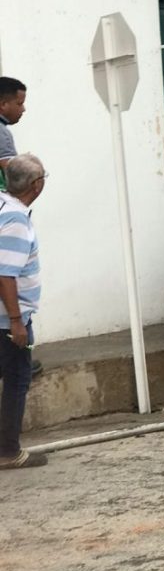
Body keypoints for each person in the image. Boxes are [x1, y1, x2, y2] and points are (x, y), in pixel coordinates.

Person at [0, 154, 48, 470]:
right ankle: (8, 452)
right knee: (17, 381)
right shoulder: (16, 219)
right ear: (36, 184)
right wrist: (17, 321)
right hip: (8, 320)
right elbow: (6, 274)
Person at [0, 77, 42, 378]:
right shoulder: (2, 134)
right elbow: (13, 174)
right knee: (15, 273)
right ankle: (19, 355)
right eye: (19, 102)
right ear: (3, 104)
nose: (22, 109)